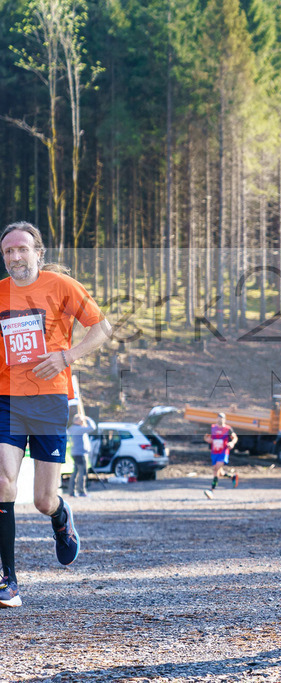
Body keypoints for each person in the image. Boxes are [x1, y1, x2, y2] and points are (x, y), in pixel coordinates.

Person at [0, 221, 112, 608]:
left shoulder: (62, 287)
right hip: (7, 398)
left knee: (43, 500)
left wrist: (66, 356)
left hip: (49, 400)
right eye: (8, 251)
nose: (15, 257)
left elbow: (101, 329)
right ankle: (8, 581)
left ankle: (61, 516)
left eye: (22, 249)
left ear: (38, 253)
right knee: (2, 482)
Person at [203, 413, 238, 498]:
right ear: (216, 419)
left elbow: (235, 438)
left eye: (222, 418)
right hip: (214, 452)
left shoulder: (228, 429)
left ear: (225, 419)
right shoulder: (212, 428)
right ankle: (232, 476)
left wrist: (232, 443)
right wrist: (208, 439)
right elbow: (206, 437)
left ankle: (211, 490)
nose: (220, 420)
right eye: (219, 418)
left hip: (223, 452)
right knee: (220, 472)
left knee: (216, 469)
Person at [67, 413, 96, 497]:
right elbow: (93, 427)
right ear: (77, 421)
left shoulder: (71, 429)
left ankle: (71, 491)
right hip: (80, 453)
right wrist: (88, 419)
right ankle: (81, 491)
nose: (83, 421)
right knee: (82, 472)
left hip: (75, 452)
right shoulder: (79, 429)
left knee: (75, 472)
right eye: (81, 420)